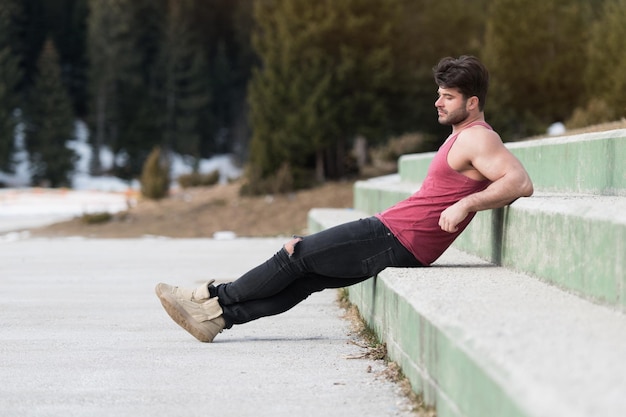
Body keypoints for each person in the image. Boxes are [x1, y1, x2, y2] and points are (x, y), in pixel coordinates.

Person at [155, 55, 534, 343]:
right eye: (438, 95)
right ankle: (218, 320)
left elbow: (519, 181)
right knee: (306, 279)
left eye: (448, 97)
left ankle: (209, 298)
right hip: (397, 234)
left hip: (397, 237)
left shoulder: (479, 137)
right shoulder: (461, 136)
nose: (438, 102)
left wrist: (466, 204)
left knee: (295, 254)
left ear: (472, 103)